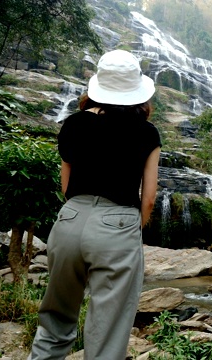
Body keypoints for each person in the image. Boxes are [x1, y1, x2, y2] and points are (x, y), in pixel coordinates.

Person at [29, 49, 161, 360]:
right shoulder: (147, 132)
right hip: (118, 222)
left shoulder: (73, 124)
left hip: (70, 218)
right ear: (136, 90)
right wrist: (131, 227)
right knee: (108, 328)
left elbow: (66, 183)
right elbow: (150, 196)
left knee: (55, 318)